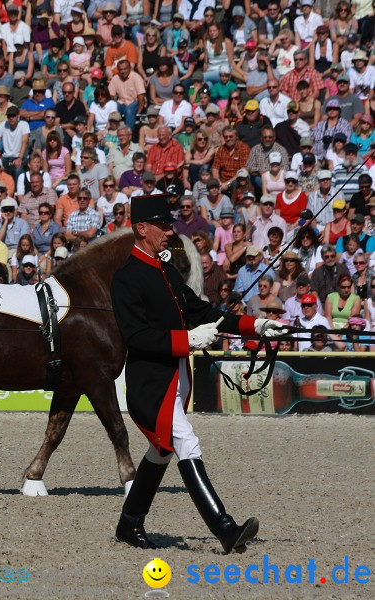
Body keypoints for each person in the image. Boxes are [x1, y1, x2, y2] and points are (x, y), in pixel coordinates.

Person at [110, 193, 283, 553]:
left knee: (161, 452)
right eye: (162, 225)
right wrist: (186, 339)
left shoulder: (167, 271)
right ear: (142, 229)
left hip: (174, 379)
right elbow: (137, 337)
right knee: (186, 443)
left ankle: (129, 524)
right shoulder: (126, 279)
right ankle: (224, 528)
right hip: (150, 386)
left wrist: (256, 324)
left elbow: (204, 313)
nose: (169, 231)